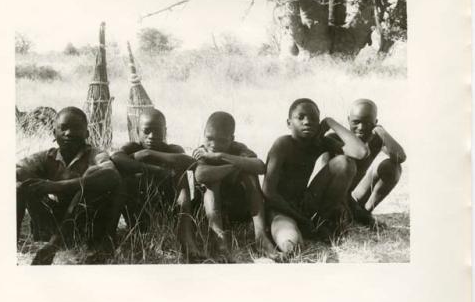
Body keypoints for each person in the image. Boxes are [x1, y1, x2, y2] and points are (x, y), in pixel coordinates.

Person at [16, 106, 123, 265]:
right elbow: (17, 169)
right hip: (51, 224)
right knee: (18, 185)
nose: (69, 133)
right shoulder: (46, 157)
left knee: (93, 177)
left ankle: (57, 245)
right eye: (63, 128)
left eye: (76, 128)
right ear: (54, 133)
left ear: (87, 133)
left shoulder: (96, 154)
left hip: (83, 226)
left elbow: (111, 174)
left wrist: (55, 186)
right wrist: (34, 184)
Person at [262, 98, 369, 253]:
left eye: (314, 119)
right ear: (289, 123)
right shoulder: (282, 144)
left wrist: (330, 122)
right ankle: (306, 229)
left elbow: (361, 152)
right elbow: (268, 192)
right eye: (301, 117)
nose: (307, 122)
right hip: (280, 208)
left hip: (304, 204)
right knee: (290, 245)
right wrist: (301, 219)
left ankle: (321, 222)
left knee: (345, 163)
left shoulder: (318, 143)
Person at [110, 108, 202, 262]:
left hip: (168, 214)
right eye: (146, 131)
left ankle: (186, 236)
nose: (151, 137)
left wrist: (149, 154)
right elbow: (116, 158)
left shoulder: (172, 149)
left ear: (165, 132)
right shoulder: (132, 147)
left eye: (157, 132)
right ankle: (109, 237)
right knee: (122, 175)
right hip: (137, 216)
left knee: (180, 174)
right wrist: (157, 171)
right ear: (137, 131)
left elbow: (190, 162)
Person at [193, 111, 276, 262]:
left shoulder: (238, 148)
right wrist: (233, 167)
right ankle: (218, 237)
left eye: (222, 141)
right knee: (213, 181)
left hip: (237, 210)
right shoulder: (201, 151)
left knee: (250, 174)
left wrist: (219, 157)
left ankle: (261, 236)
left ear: (231, 139)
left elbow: (260, 166)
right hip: (210, 213)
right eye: (209, 138)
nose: (214, 145)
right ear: (204, 134)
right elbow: (201, 175)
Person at [329, 99, 406, 226]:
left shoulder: (374, 139)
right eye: (356, 122)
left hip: (354, 196)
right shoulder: (335, 139)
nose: (361, 127)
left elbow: (400, 157)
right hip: (337, 198)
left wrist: (381, 132)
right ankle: (356, 213)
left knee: (393, 167)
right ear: (348, 120)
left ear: (375, 123)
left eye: (367, 123)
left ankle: (366, 211)